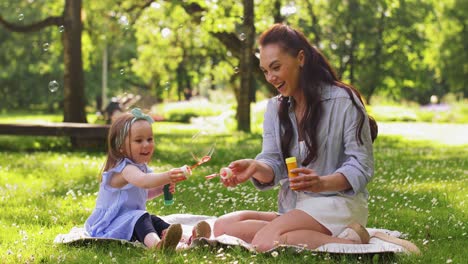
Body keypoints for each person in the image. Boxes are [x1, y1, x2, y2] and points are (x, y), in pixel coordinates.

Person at [213, 24, 378, 252]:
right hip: (296, 206)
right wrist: (254, 166)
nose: (270, 77)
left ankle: (353, 244)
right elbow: (273, 162)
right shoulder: (275, 108)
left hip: (337, 203)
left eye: (276, 67)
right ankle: (318, 236)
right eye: (264, 71)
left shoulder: (343, 100)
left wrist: (321, 183)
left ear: (300, 58)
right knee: (222, 227)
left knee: (264, 241)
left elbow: (362, 165)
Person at [85, 108, 211, 250]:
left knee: (154, 220)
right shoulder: (125, 169)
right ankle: (158, 246)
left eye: (149, 139)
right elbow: (144, 181)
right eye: (139, 140)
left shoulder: (141, 166)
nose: (146, 144)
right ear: (120, 147)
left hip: (131, 219)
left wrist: (161, 188)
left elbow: (144, 192)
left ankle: (187, 239)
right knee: (141, 219)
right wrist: (167, 176)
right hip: (111, 223)